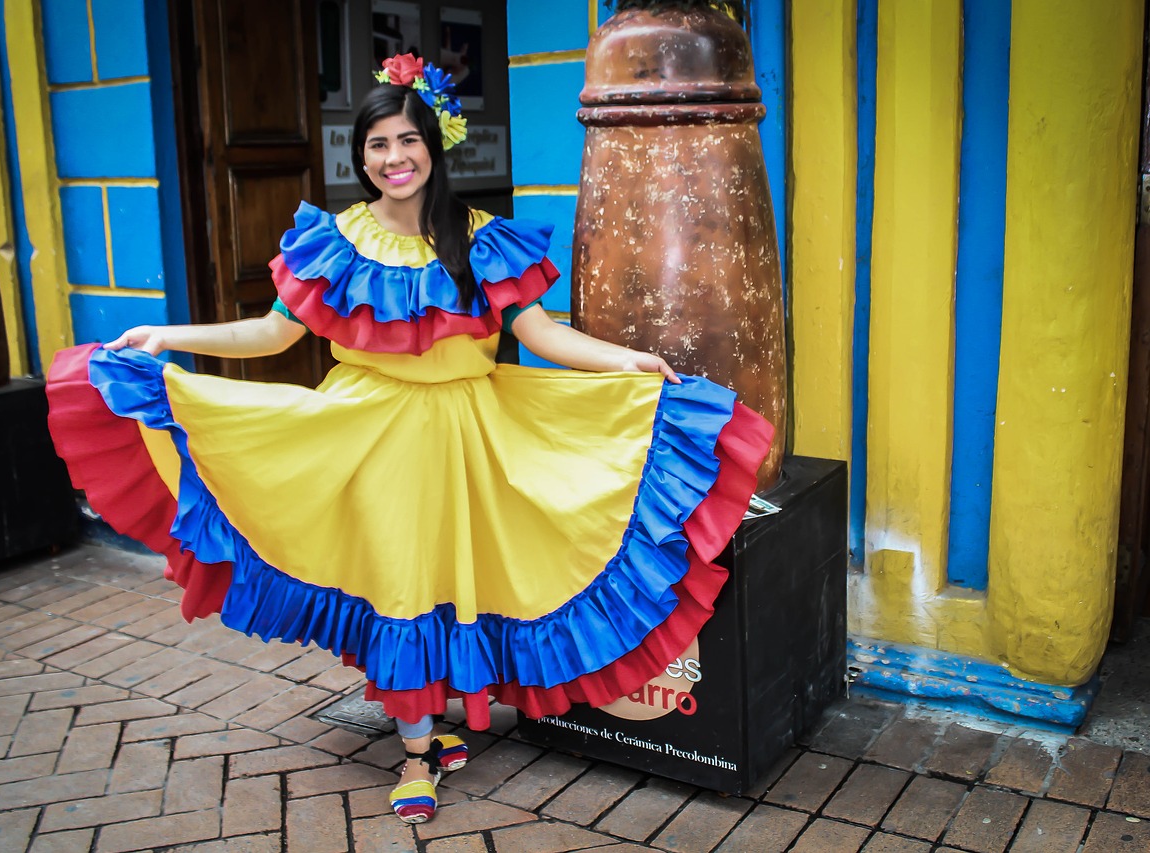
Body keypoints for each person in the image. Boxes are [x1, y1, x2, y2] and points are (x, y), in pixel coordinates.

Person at [45, 54, 773, 825]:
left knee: (464, 578)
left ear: (433, 145)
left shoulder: (481, 239)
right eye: (377, 146)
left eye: (407, 141)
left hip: (470, 434)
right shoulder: (335, 240)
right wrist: (169, 334)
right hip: (368, 437)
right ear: (359, 158)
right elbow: (267, 331)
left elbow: (539, 334)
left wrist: (622, 358)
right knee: (399, 586)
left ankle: (443, 719)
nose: (394, 159)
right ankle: (419, 750)